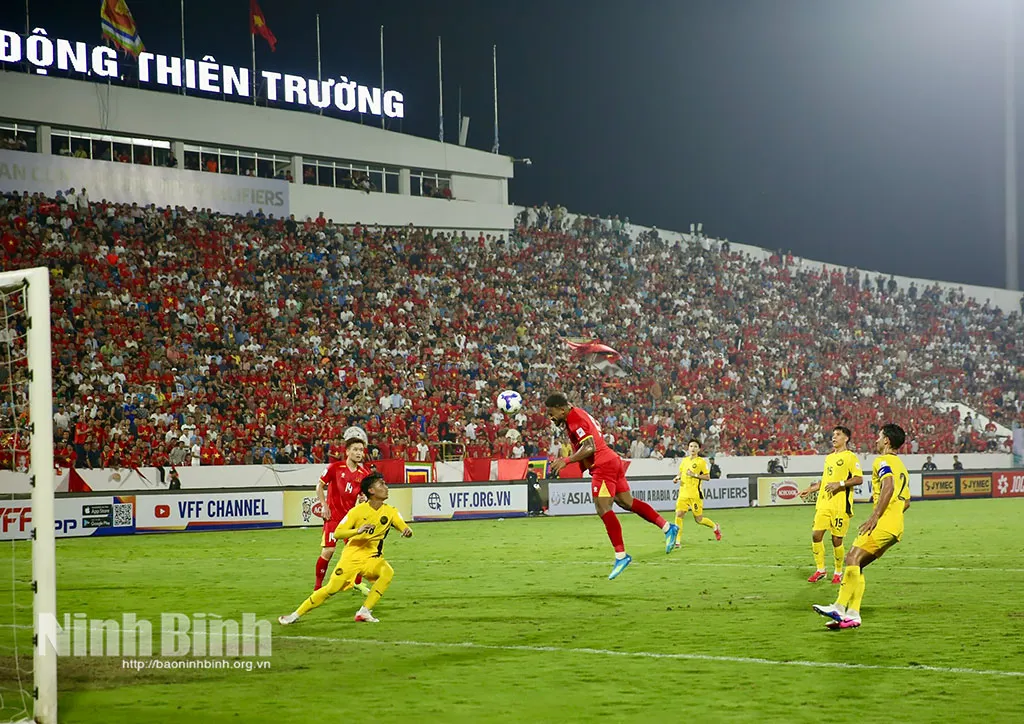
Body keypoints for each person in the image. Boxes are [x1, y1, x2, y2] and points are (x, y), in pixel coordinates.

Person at [546, 393, 678, 580]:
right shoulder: (577, 414)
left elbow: (590, 446)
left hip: (603, 465)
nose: (551, 418)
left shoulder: (574, 418)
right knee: (626, 502)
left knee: (603, 507)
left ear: (562, 408)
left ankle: (621, 556)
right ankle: (667, 527)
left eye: (552, 414)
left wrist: (566, 460)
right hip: (611, 459)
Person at [279, 472, 412, 624]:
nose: (386, 487)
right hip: (351, 558)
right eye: (381, 484)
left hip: (372, 558)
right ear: (371, 491)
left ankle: (364, 611)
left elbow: (404, 527)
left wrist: (407, 531)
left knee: (387, 572)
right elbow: (338, 533)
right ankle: (294, 615)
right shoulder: (357, 511)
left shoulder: (391, 511)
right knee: (331, 589)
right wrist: (358, 530)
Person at [813, 423, 910, 629]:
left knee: (852, 558)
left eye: (879, 436)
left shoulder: (882, 460)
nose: (875, 440)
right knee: (858, 565)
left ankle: (839, 607)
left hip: (883, 523)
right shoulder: (901, 466)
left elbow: (889, 486)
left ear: (886, 441)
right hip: (895, 526)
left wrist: (875, 517)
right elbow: (906, 502)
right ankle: (853, 615)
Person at [798, 426, 863, 584]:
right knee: (816, 535)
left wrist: (839, 484)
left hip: (840, 505)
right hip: (824, 503)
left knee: (836, 540)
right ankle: (820, 570)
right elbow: (826, 480)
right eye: (833, 435)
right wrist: (811, 488)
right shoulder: (829, 458)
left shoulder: (850, 457)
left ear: (846, 438)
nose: (834, 438)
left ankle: (838, 572)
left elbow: (858, 479)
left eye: (838, 435)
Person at [313, 426, 372, 593]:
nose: (359, 453)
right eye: (355, 449)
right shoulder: (334, 468)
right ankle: (318, 586)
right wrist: (324, 505)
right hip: (333, 517)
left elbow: (365, 495)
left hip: (350, 520)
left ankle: (356, 582)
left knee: (358, 551)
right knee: (329, 550)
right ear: (347, 452)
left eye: (361, 450)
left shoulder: (364, 474)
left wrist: (363, 498)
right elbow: (320, 486)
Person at [671, 439, 722, 549]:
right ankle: (677, 541)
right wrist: (677, 478)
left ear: (698, 449)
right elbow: (681, 472)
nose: (692, 448)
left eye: (695, 446)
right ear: (688, 448)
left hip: (695, 494)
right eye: (691, 446)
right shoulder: (684, 461)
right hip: (683, 493)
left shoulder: (701, 462)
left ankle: (715, 527)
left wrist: (694, 475)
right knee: (679, 515)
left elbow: (707, 477)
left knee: (699, 519)